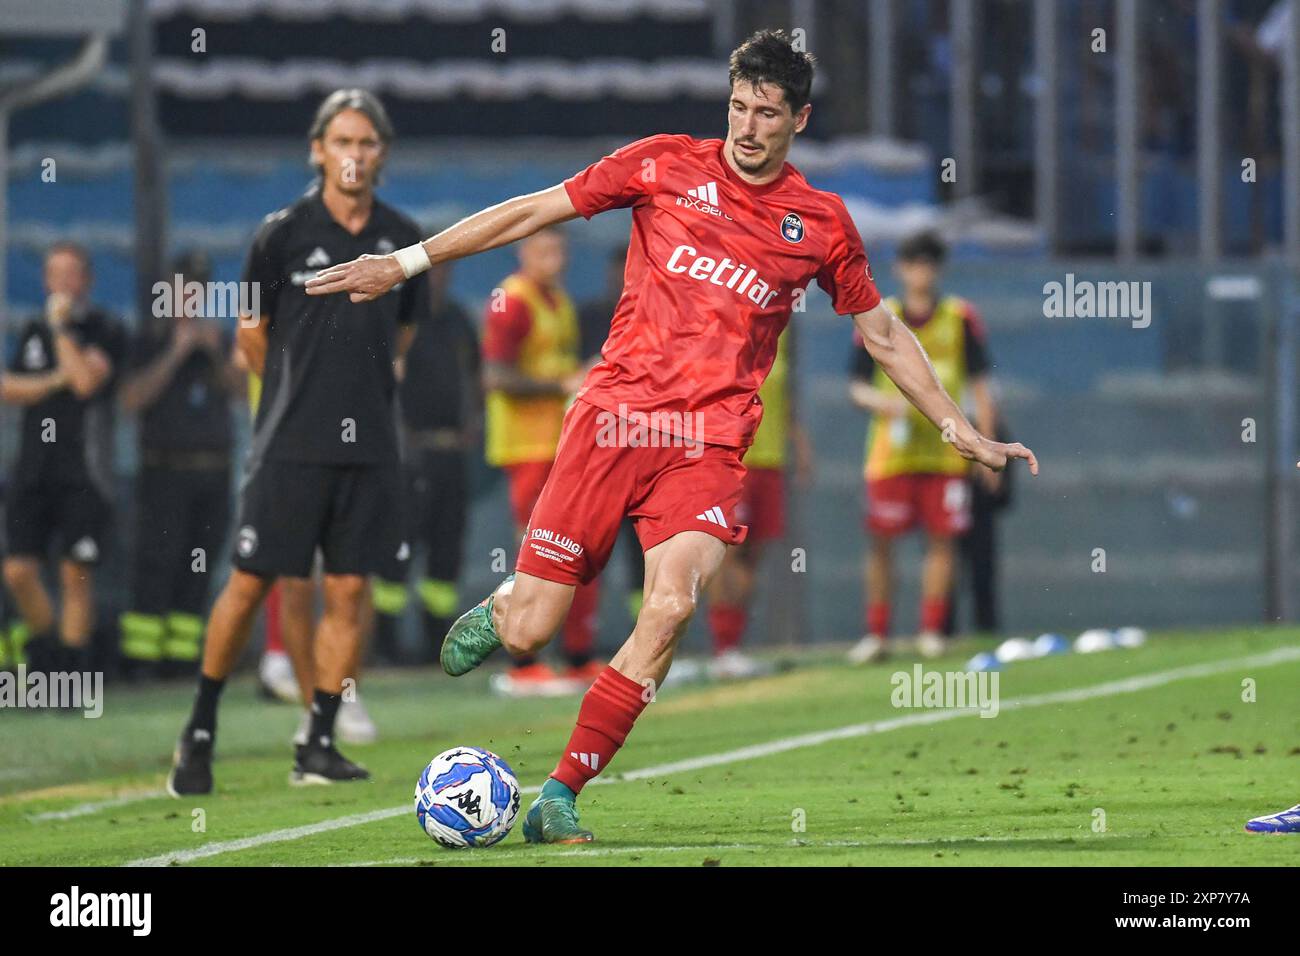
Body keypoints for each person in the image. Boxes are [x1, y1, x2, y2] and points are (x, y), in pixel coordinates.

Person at [306, 30, 1037, 843]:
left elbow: (884, 334)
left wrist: (957, 425)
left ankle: (560, 793)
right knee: (530, 632)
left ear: (798, 118)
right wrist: (406, 262)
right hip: (611, 423)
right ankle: (508, 602)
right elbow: (531, 210)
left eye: (766, 112)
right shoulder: (661, 164)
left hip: (707, 444)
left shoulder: (820, 223)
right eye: (737, 106)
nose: (747, 126)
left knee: (670, 606)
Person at [167, 88, 428, 796]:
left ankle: (317, 740)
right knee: (251, 583)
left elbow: (402, 333)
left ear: (383, 153)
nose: (355, 154)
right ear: (318, 150)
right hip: (289, 444)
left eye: (367, 143)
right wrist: (298, 396)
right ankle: (199, 731)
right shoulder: (279, 234)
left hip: (370, 447)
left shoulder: (405, 239)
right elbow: (249, 334)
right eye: (342, 141)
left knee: (348, 590)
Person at [846, 230, 1000, 663]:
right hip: (890, 453)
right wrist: (883, 403)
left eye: (929, 263)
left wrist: (984, 447)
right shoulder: (880, 315)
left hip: (945, 451)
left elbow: (981, 387)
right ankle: (876, 634)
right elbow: (856, 386)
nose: (921, 272)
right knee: (881, 542)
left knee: (943, 541)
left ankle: (930, 630)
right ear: (900, 268)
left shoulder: (959, 317)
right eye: (914, 263)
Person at [480, 227, 600, 697]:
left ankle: (575, 655)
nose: (556, 259)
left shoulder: (557, 299)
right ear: (522, 252)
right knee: (534, 550)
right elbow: (495, 376)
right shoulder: (510, 300)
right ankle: (522, 662)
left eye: (561, 250)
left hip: (559, 444)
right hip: (526, 445)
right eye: (544, 250)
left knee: (573, 547)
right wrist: (565, 383)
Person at [0, 242, 126, 679]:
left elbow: (87, 381)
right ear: (45, 280)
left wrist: (61, 334)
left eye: (72, 274)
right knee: (18, 569)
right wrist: (55, 379)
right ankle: (49, 653)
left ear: (87, 280)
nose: (64, 283)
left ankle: (71, 674)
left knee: (76, 575)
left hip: (83, 473)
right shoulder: (33, 330)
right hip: (34, 470)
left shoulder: (104, 328)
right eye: (56, 274)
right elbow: (9, 387)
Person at [118, 251, 242, 679]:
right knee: (156, 562)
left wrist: (213, 354)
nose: (191, 296)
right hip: (164, 470)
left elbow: (241, 390)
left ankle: (181, 658)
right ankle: (140, 660)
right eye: (184, 288)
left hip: (212, 470)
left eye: (199, 288)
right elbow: (131, 399)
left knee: (199, 563)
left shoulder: (219, 340)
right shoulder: (148, 339)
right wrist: (176, 351)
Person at [369, 255, 482, 664]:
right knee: (398, 549)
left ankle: (439, 641)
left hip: (451, 452)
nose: (440, 278)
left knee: (446, 550)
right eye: (432, 270)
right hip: (409, 453)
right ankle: (386, 646)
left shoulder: (458, 319)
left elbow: (473, 374)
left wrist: (474, 418)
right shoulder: (400, 322)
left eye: (446, 269)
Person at [703, 328, 812, 680]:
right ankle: (721, 647)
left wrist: (799, 443)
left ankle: (733, 646)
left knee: (754, 554)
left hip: (771, 462)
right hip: (733, 459)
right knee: (727, 552)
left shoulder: (781, 340)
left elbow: (784, 400)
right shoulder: (722, 335)